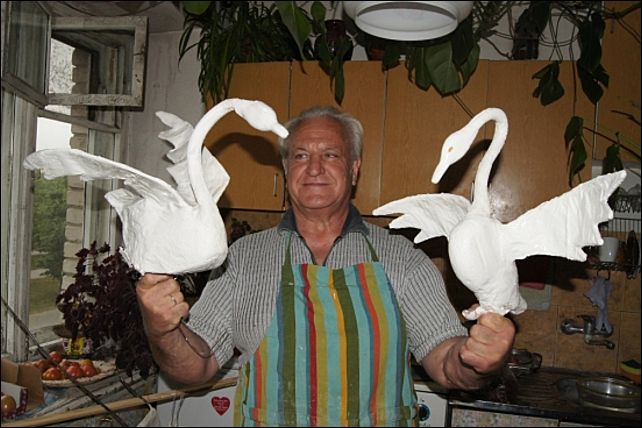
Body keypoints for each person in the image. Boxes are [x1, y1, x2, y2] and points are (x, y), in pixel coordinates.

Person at [136, 106, 515, 426]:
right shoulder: (243, 258)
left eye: (331, 155)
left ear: (354, 170)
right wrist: (163, 330)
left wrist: (477, 361)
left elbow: (446, 363)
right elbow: (195, 367)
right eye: (300, 156)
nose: (314, 168)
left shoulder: (402, 259)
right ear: (286, 169)